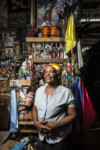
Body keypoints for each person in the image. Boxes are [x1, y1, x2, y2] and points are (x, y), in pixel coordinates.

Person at [32, 63, 77, 150]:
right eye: (45, 72)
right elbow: (35, 107)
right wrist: (36, 123)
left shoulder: (66, 92)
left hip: (58, 138)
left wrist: (55, 126)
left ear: (58, 75)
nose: (47, 74)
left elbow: (73, 115)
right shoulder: (39, 91)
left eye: (51, 72)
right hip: (41, 137)